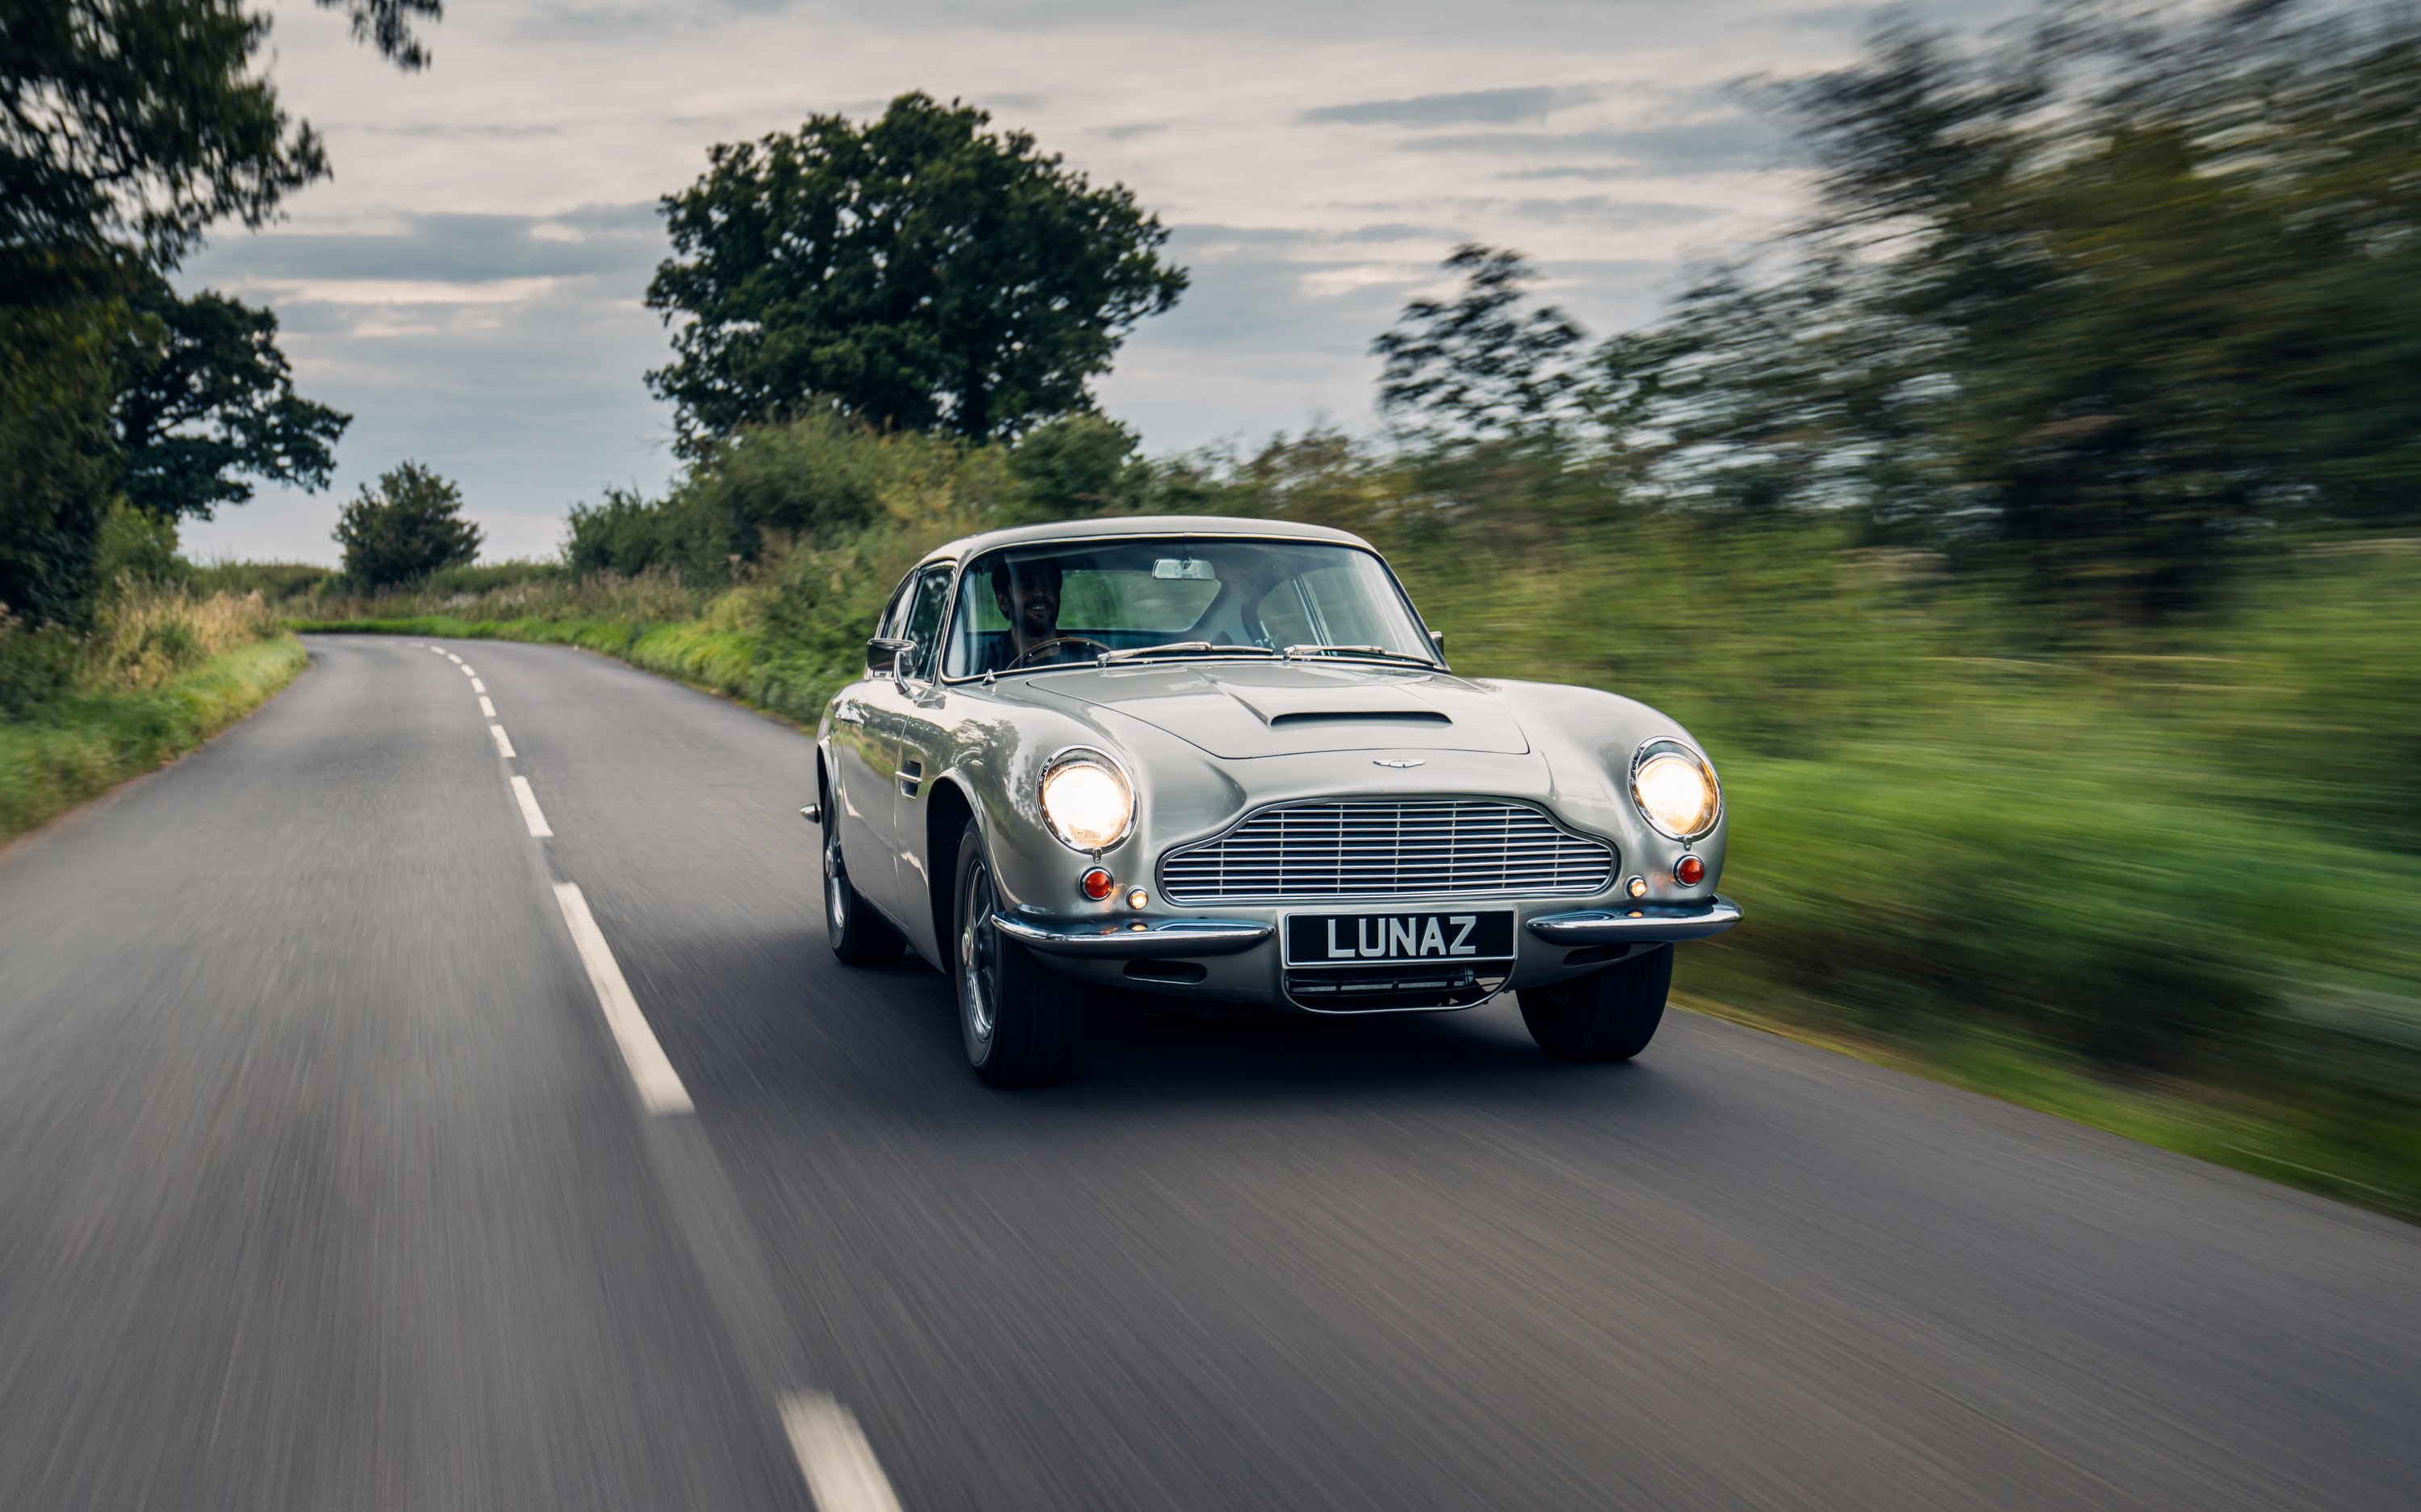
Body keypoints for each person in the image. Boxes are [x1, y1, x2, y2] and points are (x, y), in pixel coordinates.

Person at [977, 556, 1082, 671]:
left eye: (1049, 585)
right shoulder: (982, 664)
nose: (1040, 594)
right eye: (1026, 586)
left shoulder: (1087, 659)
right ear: (1003, 601)